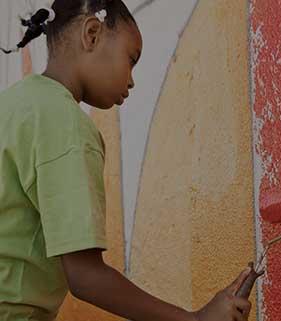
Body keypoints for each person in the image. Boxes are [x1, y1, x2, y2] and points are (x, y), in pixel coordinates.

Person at [0, 1, 252, 320]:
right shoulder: (65, 125)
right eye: (130, 60)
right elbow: (85, 277)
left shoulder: (13, 104)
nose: (131, 80)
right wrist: (194, 319)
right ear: (92, 34)